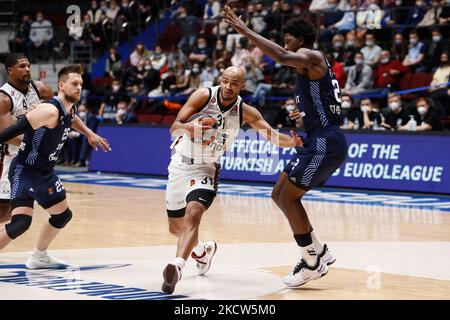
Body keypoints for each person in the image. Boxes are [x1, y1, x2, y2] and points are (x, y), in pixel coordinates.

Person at [223, 7, 348, 287]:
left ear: (300, 40)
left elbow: (280, 56)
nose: (284, 45)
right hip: (317, 137)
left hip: (326, 142)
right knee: (279, 194)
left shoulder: (311, 56)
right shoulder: (310, 63)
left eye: (287, 39)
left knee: (289, 198)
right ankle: (321, 251)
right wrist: (304, 115)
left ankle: (311, 262)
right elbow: (325, 100)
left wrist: (245, 30)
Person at [162, 66, 303, 294]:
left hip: (206, 167)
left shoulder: (246, 112)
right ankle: (202, 251)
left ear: (242, 86)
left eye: (234, 83)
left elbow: (272, 136)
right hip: (179, 163)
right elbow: (174, 128)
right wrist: (191, 127)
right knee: (175, 228)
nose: (228, 87)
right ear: (221, 80)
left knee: (194, 213)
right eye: (225, 81)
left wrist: (294, 143)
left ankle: (176, 267)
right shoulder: (203, 96)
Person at [0, 64, 111, 269]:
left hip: (45, 172)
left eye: (81, 84)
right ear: (61, 85)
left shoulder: (69, 107)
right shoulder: (49, 110)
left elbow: (72, 118)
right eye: (74, 83)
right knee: (20, 223)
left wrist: (89, 134)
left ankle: (39, 257)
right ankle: (37, 256)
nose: (79, 88)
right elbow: (12, 130)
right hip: (25, 170)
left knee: (63, 215)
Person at [0, 53, 54, 223]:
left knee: (16, 212)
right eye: (22, 66)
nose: (27, 69)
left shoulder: (41, 89)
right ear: (10, 70)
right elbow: (7, 136)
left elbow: (60, 111)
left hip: (31, 159)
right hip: (8, 158)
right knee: (4, 211)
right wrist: (39, 141)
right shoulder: (4, 98)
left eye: (28, 66)